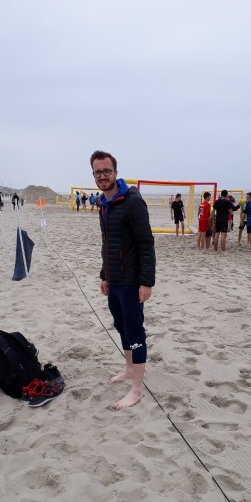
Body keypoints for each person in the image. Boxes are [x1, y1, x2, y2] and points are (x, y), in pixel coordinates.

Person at [91, 149, 155, 409]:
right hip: (115, 280)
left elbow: (146, 244)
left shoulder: (133, 202)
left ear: (116, 172)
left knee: (135, 331)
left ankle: (137, 390)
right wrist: (104, 275)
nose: (102, 176)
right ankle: (129, 369)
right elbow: (108, 242)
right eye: (98, 172)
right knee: (120, 325)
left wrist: (146, 282)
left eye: (107, 171)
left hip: (131, 281)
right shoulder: (103, 203)